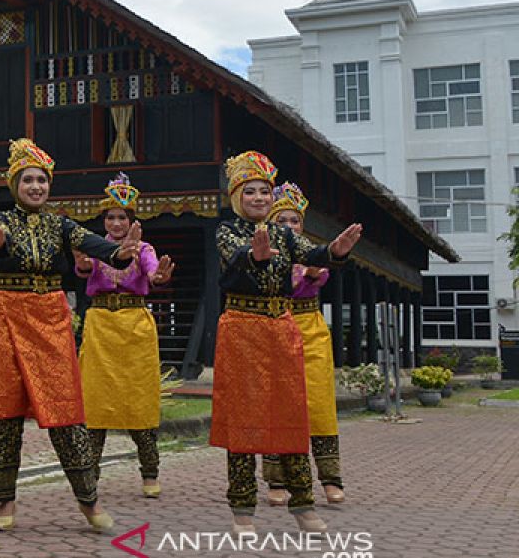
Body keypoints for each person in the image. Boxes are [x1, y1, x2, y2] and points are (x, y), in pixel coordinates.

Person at [0, 138, 130, 533]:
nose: (36, 187)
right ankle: (5, 502)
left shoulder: (62, 225)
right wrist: (0, 246)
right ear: (15, 186)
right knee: (6, 411)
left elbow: (94, 244)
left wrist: (120, 252)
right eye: (28, 181)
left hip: (49, 318)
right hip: (9, 314)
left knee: (64, 410)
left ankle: (89, 502)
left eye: (41, 180)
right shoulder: (1, 224)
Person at [211, 151, 361, 535]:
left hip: (281, 328)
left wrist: (334, 252)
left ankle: (303, 505)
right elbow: (235, 258)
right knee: (245, 419)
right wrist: (255, 255)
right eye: (251, 192)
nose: (259, 198)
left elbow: (311, 255)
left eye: (265, 191)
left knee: (292, 413)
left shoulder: (283, 234)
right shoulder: (226, 231)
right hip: (243, 329)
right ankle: (242, 510)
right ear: (237, 197)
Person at [75, 173, 174, 498]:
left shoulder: (143, 246)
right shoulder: (94, 243)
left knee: (138, 399)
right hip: (101, 325)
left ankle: (150, 471)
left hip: (134, 327)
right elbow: (86, 267)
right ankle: (90, 474)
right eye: (111, 217)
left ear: (131, 219)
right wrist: (81, 262)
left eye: (122, 217)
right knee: (96, 400)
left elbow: (149, 269)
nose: (116, 223)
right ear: (104, 219)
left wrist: (157, 274)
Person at [261, 182, 345, 507]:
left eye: (294, 221)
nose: (289, 227)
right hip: (276, 327)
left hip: (310, 327)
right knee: (278, 404)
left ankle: (330, 478)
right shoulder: (262, 253)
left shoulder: (312, 252)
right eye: (281, 221)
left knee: (319, 403)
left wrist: (310, 272)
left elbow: (320, 272)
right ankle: (276, 479)